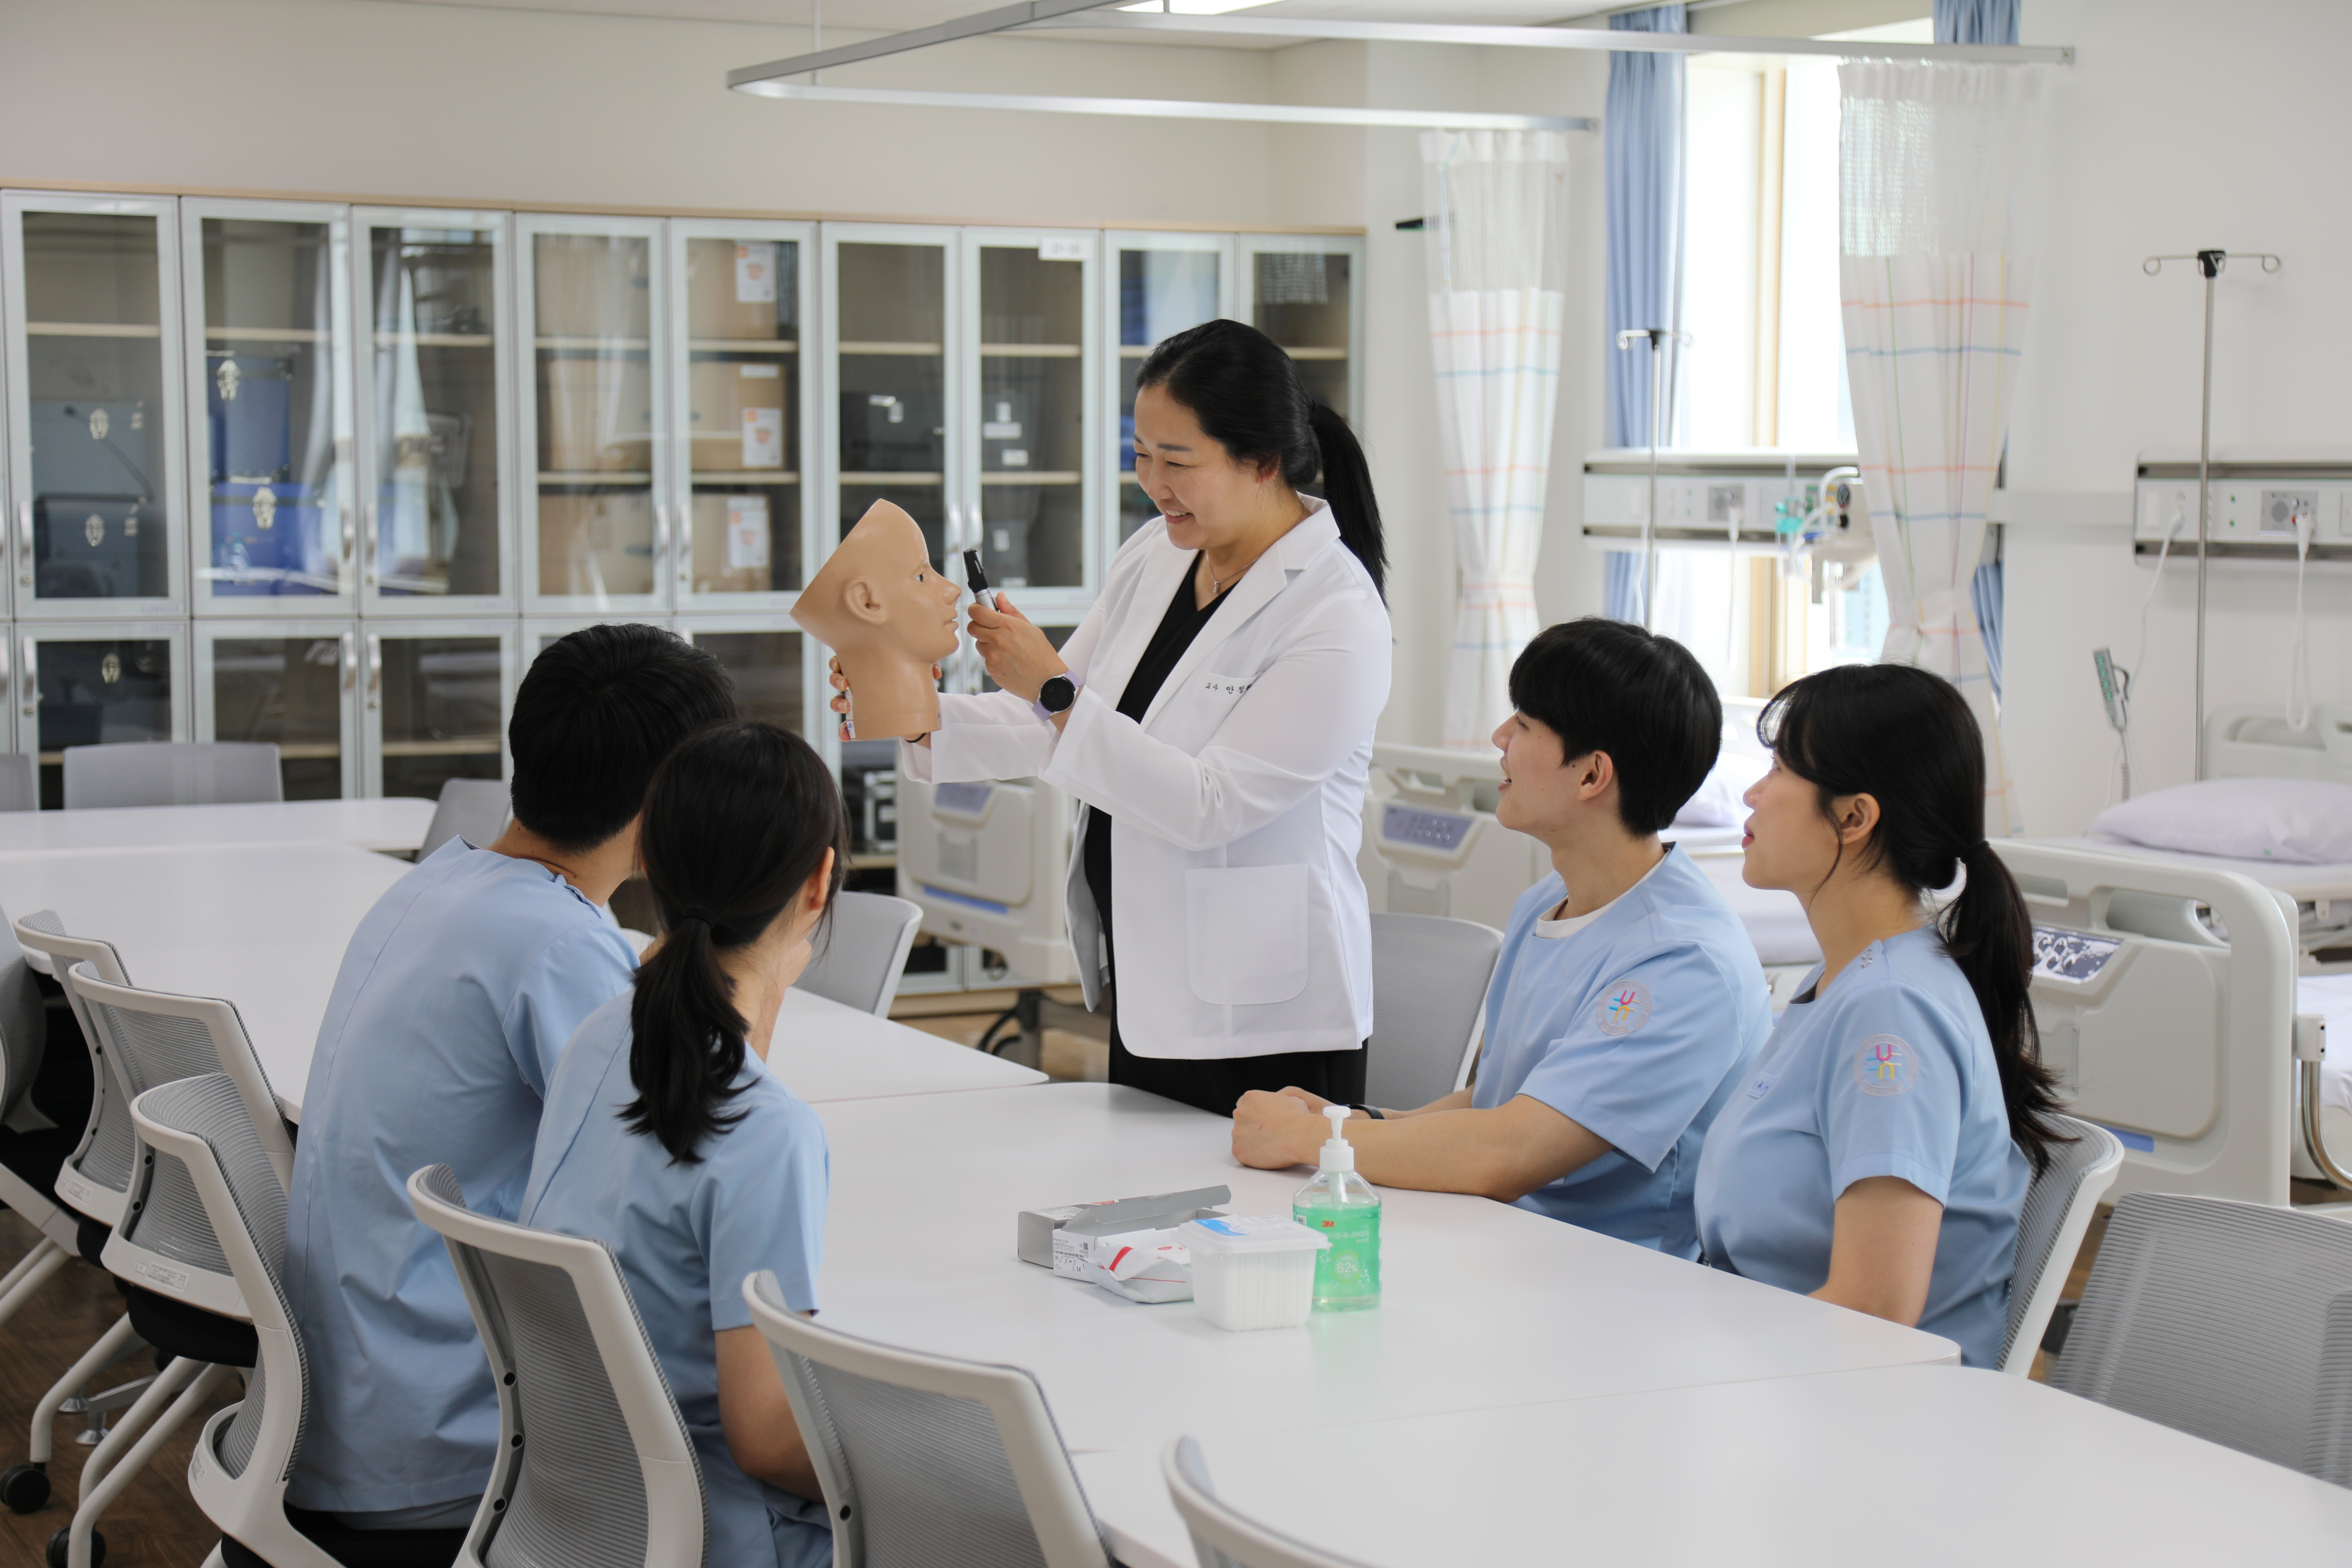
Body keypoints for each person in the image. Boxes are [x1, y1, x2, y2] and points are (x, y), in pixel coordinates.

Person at [839, 318, 1391, 1116]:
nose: (1153, 484)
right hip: (1150, 976)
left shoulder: (1336, 612)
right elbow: (1048, 719)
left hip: (1265, 1016)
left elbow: (1209, 804)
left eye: (1178, 462)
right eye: (1141, 455)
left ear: (1263, 461)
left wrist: (1052, 688)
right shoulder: (1157, 555)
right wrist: (911, 711)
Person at [284, 624, 736, 1531]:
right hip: (455, 1442)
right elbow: (682, 1182)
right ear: (670, 801)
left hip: (350, 1400)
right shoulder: (559, 945)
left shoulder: (439, 883)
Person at [1231, 619, 1771, 1258]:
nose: (1500, 739)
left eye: (1525, 724)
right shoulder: (1545, 903)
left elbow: (1509, 1152)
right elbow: (1501, 1102)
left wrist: (1309, 1140)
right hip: (1502, 1236)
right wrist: (1352, 1122)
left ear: (1592, 776)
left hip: (1613, 1272)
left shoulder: (1684, 963)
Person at [522, 720, 844, 1568]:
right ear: (820, 881)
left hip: (589, 1517)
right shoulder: (768, 1132)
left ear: (649, 860)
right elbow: (767, 1439)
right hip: (723, 1535)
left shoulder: (599, 1035)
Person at [1693, 663, 2067, 1368]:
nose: (1753, 792)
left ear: (1854, 817)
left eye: (1779, 770)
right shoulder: (1845, 979)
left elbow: (1875, 1308)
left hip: (1863, 1405)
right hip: (1779, 1368)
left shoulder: (1891, 1010)